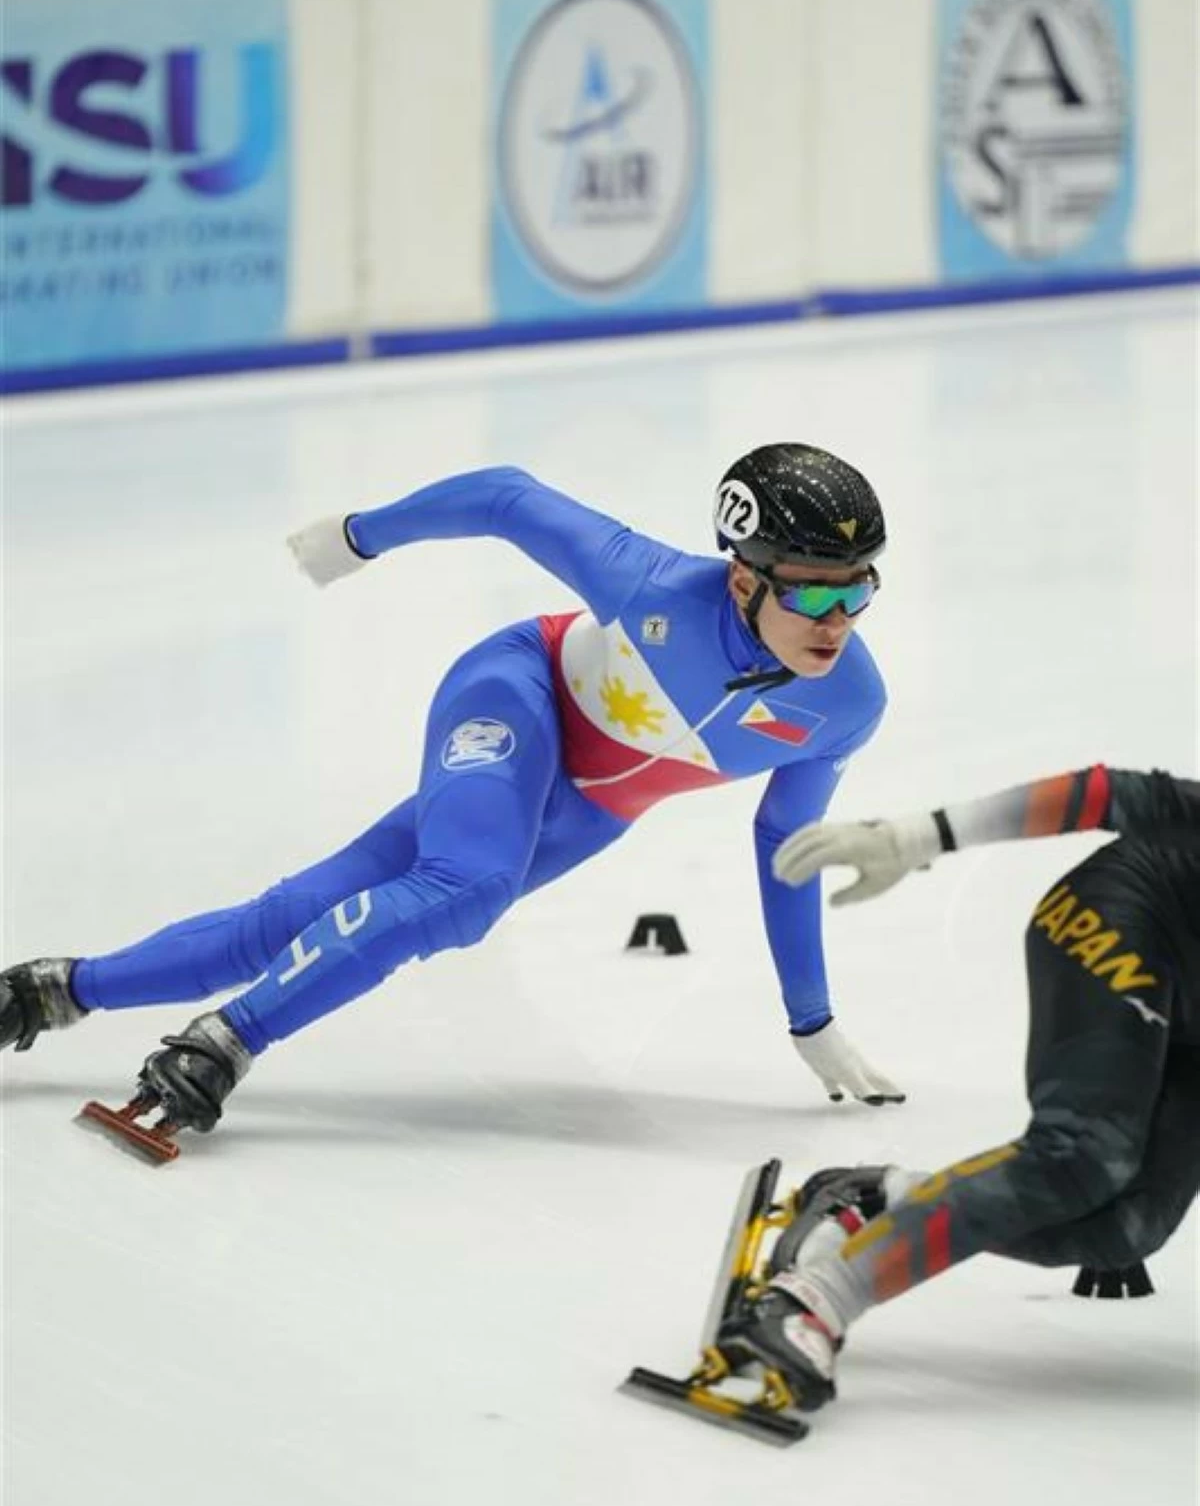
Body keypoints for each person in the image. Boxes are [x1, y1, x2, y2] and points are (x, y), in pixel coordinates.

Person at [1, 446, 905, 1136]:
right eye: (815, 598)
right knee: (468, 888)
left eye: (858, 592)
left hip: (587, 808)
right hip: (520, 693)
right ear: (743, 579)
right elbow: (506, 497)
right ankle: (226, 1040)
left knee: (303, 918)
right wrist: (359, 534)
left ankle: (53, 989)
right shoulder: (652, 584)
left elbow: (788, 846)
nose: (839, 623)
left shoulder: (850, 703)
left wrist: (810, 1018)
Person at [717, 763, 1200, 1409]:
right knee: (1084, 1156)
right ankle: (813, 1297)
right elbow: (1103, 795)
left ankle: (874, 1197)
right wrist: (920, 835)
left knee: (1124, 1229)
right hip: (1124, 914)